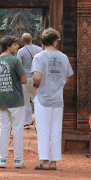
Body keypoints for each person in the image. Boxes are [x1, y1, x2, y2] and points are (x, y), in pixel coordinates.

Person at [31, 28, 73, 171]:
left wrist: (36, 85)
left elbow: (37, 77)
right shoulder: (64, 57)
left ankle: (45, 162)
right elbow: (67, 78)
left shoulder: (39, 57)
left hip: (43, 98)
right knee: (56, 130)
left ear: (42, 41)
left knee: (43, 130)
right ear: (55, 41)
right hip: (58, 98)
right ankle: (54, 161)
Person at [0, 35, 28, 168]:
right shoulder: (15, 60)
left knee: (4, 129)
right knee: (18, 129)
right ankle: (18, 160)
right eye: (15, 44)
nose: (18, 46)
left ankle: (2, 160)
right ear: (8, 46)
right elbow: (24, 80)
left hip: (2, 99)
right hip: (16, 99)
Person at [17, 33, 42, 128]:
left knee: (26, 101)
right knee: (37, 101)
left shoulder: (21, 51)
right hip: (37, 78)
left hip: (26, 79)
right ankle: (38, 121)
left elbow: (19, 65)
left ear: (22, 41)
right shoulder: (39, 49)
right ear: (32, 39)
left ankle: (27, 121)